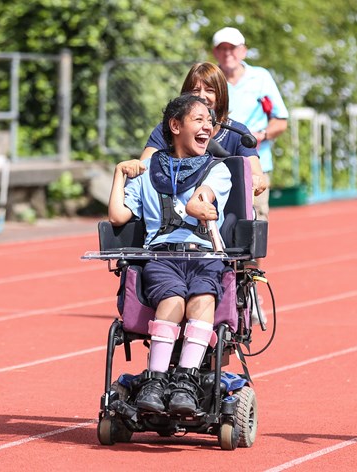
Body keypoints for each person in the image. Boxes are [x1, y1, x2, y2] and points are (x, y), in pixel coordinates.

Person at [109, 94, 233, 415]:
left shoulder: (217, 170)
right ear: (176, 126)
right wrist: (119, 174)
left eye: (209, 122)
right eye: (198, 120)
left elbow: (205, 196)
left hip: (203, 256)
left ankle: (186, 381)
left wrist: (198, 204)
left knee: (201, 299)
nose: (207, 127)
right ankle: (156, 381)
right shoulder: (148, 172)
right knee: (173, 300)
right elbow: (118, 217)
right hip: (161, 256)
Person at [120, 62, 266, 195]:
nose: (201, 96)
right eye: (195, 90)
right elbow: (145, 167)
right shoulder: (169, 127)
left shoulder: (237, 132)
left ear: (221, 95)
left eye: (209, 90)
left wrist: (256, 180)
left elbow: (258, 176)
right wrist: (132, 167)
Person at [212, 26, 289, 222]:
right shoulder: (211, 79)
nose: (228, 53)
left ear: (243, 51)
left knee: (255, 220)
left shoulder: (261, 78)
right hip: (216, 163)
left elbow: (281, 120)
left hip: (255, 163)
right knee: (216, 220)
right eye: (222, 48)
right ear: (215, 52)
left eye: (232, 48)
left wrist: (261, 135)